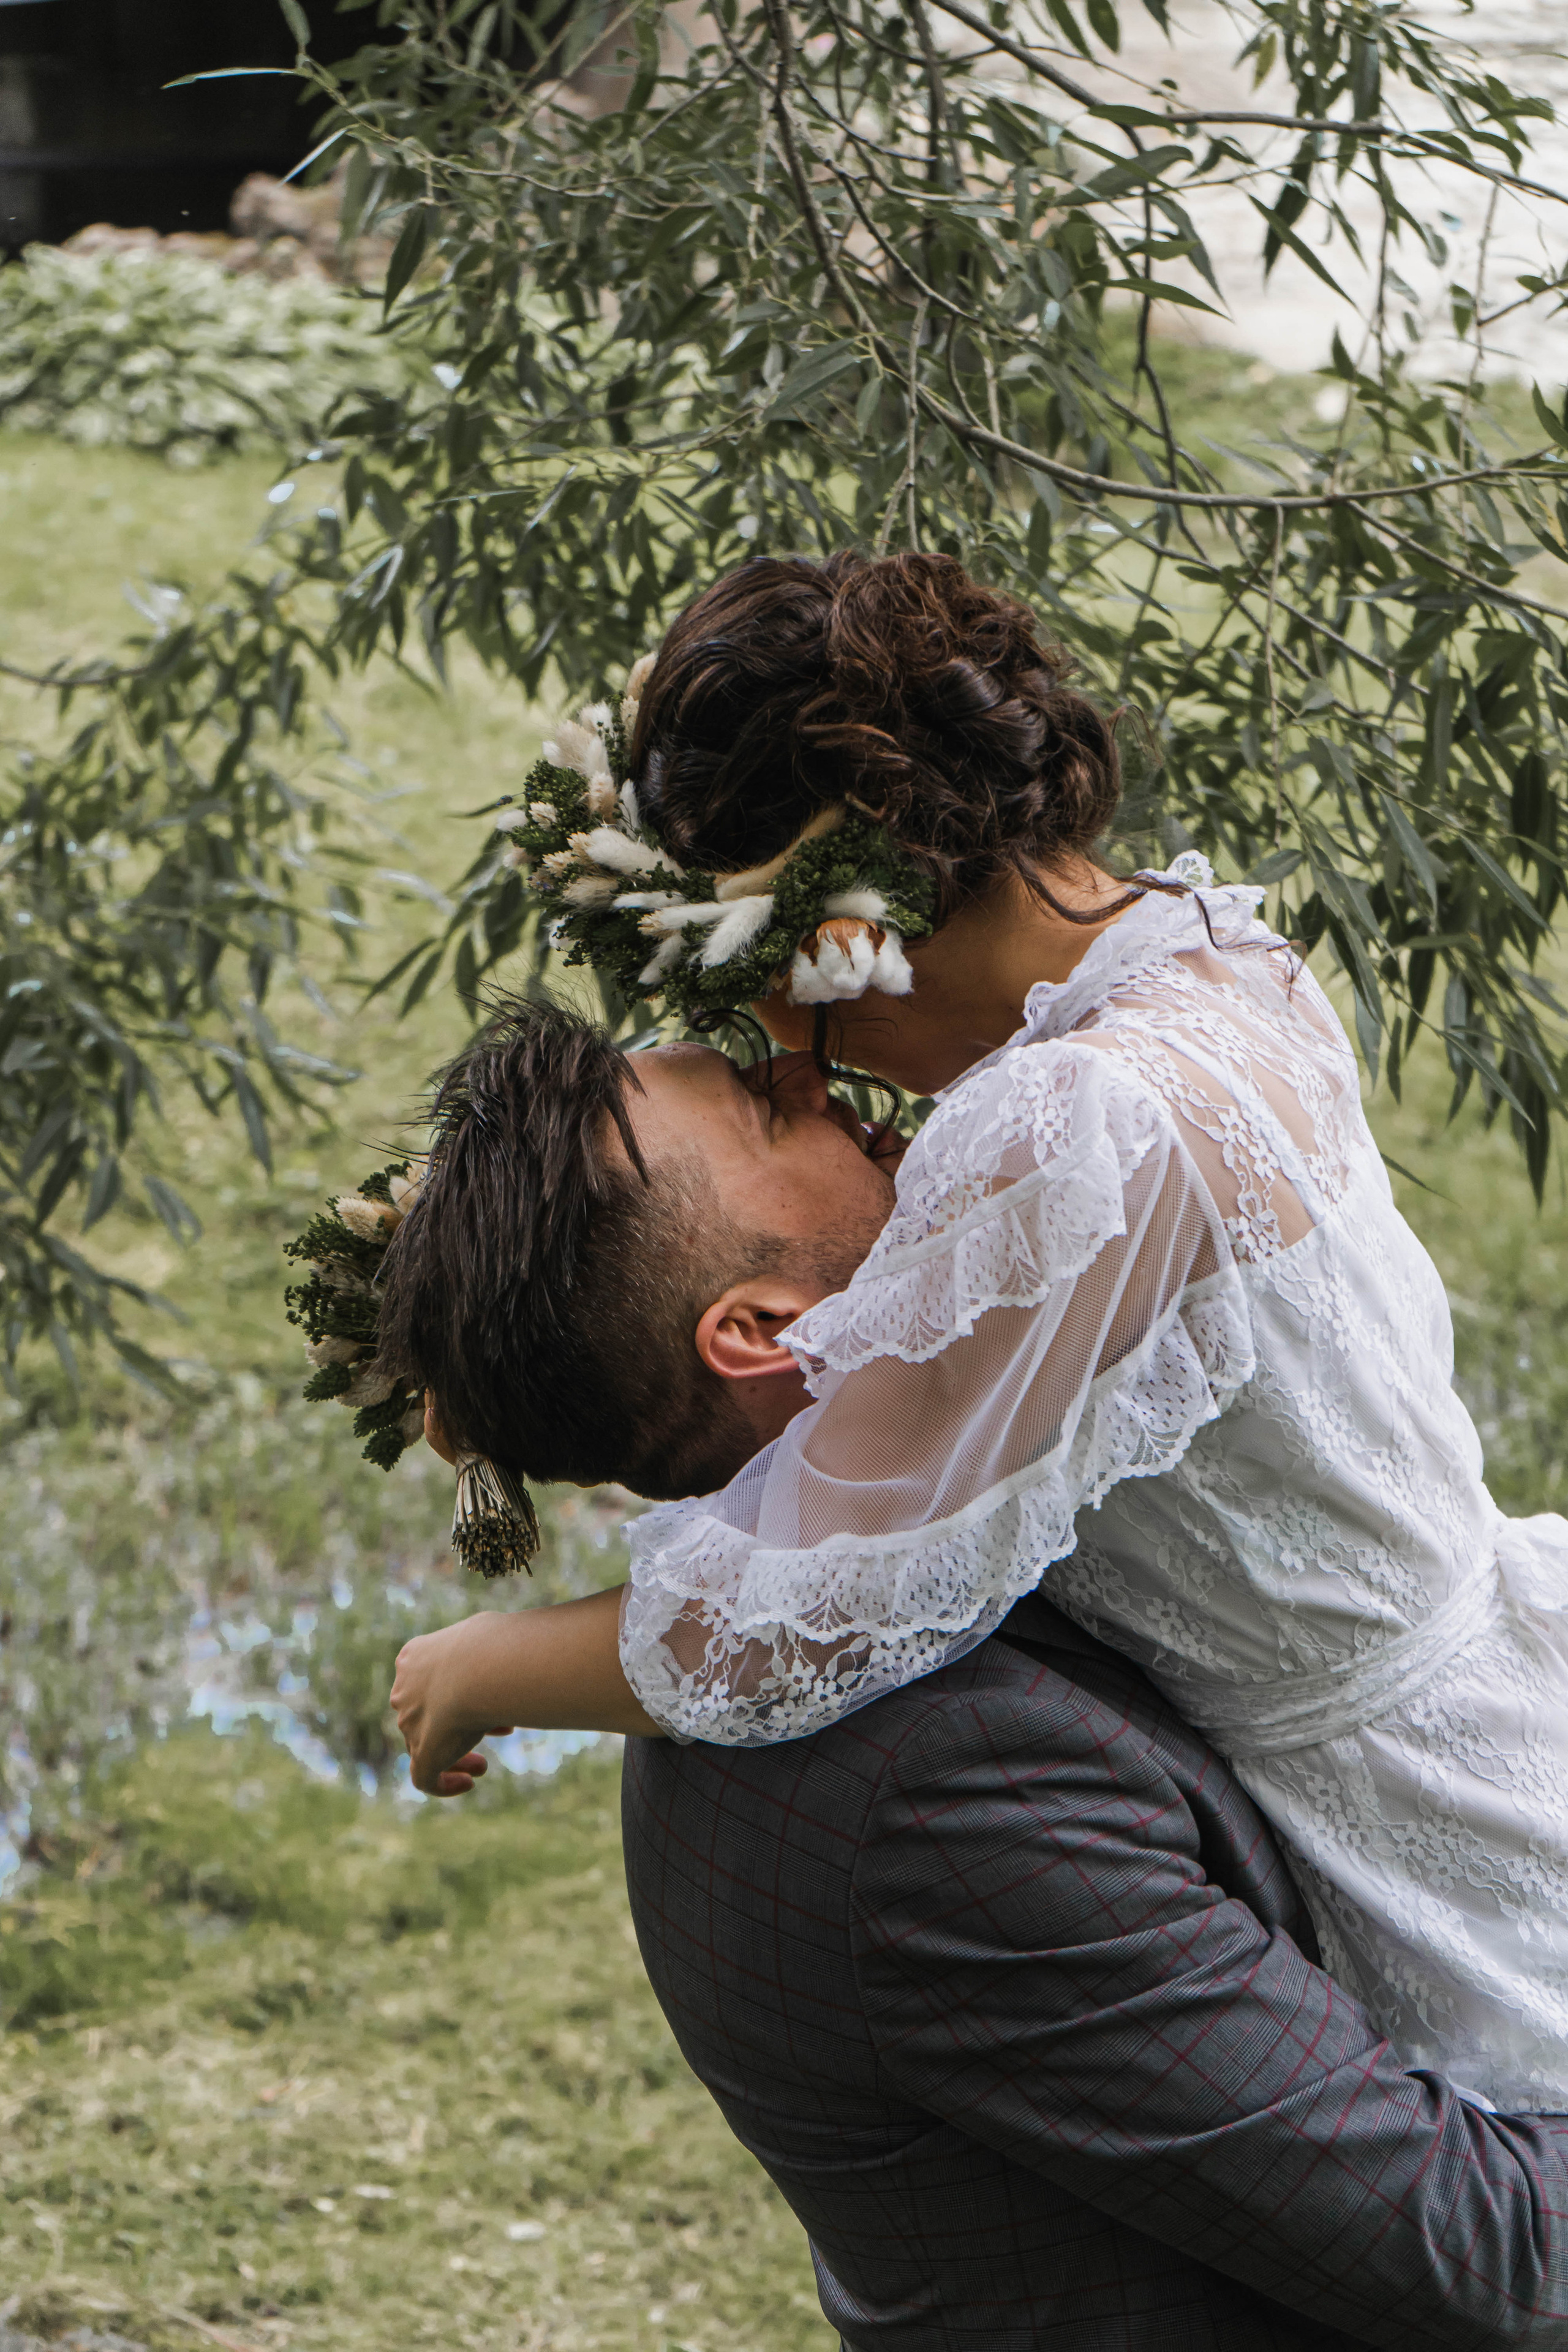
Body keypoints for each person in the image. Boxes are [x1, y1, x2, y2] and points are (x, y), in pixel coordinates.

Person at [385, 549, 1568, 2122]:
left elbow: (821, 1596)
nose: (783, 1050)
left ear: (844, 935)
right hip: (1490, 1664)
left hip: (1411, 1809)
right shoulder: (1214, 957)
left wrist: (483, 1664)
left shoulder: (1075, 1127)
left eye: (754, 996)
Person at [381, 999, 1568, 2348]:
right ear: (764, 1328)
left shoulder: (940, 1539)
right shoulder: (927, 1789)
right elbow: (1496, 2253)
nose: (812, 1071)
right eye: (772, 1111)